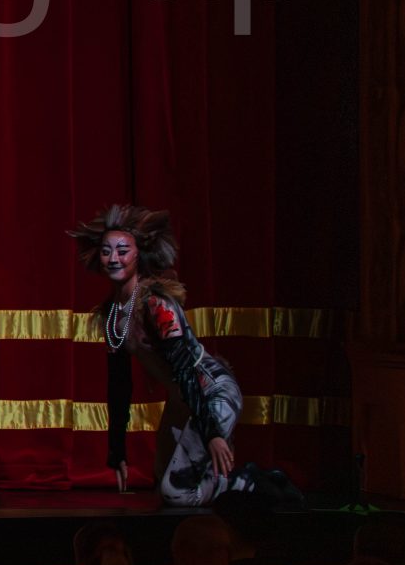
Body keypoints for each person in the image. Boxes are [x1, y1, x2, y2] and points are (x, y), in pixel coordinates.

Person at [69, 204, 295, 506]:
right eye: (106, 251)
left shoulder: (155, 304)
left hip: (209, 393)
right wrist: (116, 451)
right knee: (162, 479)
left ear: (138, 255)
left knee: (176, 492)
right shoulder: (111, 315)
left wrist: (212, 432)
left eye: (122, 251)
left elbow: (186, 368)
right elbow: (119, 385)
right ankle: (230, 485)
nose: (113, 259)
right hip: (182, 399)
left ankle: (248, 481)